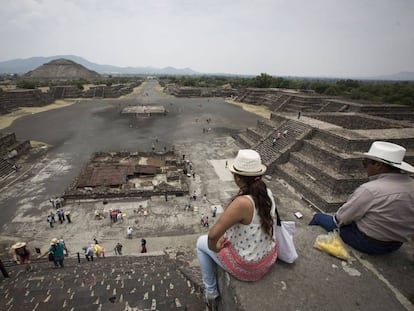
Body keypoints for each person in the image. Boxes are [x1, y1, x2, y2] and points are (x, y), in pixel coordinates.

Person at [196, 149, 277, 304]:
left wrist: (215, 248)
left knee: (201, 243)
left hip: (250, 268)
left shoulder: (242, 203)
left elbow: (213, 235)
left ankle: (211, 291)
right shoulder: (267, 192)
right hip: (268, 257)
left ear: (238, 178)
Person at [309, 141, 414, 255]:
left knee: (318, 217)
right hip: (396, 245)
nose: (365, 167)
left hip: (369, 243)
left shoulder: (371, 190)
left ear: (379, 165)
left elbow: (340, 219)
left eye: (366, 163)